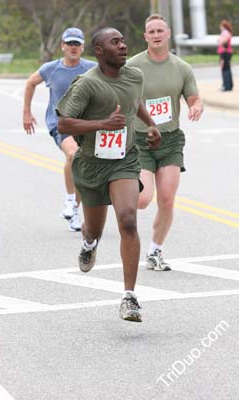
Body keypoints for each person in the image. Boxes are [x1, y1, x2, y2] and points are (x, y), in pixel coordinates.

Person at [56, 27, 161, 322]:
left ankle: (129, 297)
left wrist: (151, 125)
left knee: (128, 220)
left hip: (124, 160)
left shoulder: (135, 76)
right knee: (95, 230)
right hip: (91, 164)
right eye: (115, 42)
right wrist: (102, 124)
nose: (124, 46)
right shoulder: (88, 84)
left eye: (123, 40)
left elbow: (134, 101)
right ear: (100, 51)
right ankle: (89, 245)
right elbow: (64, 124)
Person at [127, 14, 204, 271]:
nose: (157, 35)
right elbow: (120, 96)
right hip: (142, 140)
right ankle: (118, 192)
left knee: (168, 199)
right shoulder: (133, 66)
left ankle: (155, 251)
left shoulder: (182, 67)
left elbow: (193, 97)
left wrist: (196, 105)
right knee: (143, 199)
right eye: (152, 31)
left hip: (170, 140)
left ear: (168, 33)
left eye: (160, 30)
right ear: (145, 36)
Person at [23, 27, 96, 231]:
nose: (73, 47)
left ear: (83, 47)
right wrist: (26, 113)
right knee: (74, 154)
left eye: (77, 44)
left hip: (85, 125)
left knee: (82, 167)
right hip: (61, 124)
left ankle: (74, 211)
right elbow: (30, 83)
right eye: (69, 43)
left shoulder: (91, 68)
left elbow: (111, 82)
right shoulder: (51, 68)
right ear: (62, 46)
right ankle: (70, 199)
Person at [217, 19, 233, 91]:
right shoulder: (227, 32)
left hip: (225, 52)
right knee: (227, 68)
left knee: (224, 69)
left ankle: (226, 86)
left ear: (223, 26)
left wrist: (219, 40)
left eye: (221, 26)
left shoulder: (225, 32)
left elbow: (223, 42)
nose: (220, 27)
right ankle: (229, 85)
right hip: (227, 52)